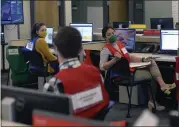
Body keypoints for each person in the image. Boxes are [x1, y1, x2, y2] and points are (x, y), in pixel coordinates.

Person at [100, 26, 176, 111]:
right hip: (124, 75)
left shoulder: (119, 44)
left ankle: (158, 92)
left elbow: (129, 56)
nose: (112, 36)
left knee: (151, 62)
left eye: (113, 33)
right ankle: (156, 96)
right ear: (104, 37)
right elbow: (102, 67)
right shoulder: (105, 50)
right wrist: (114, 60)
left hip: (130, 69)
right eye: (109, 34)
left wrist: (143, 59)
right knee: (152, 72)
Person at [43, 27, 110, 119]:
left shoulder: (54, 84)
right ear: (80, 49)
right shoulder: (96, 73)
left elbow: (48, 120)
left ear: (55, 49)